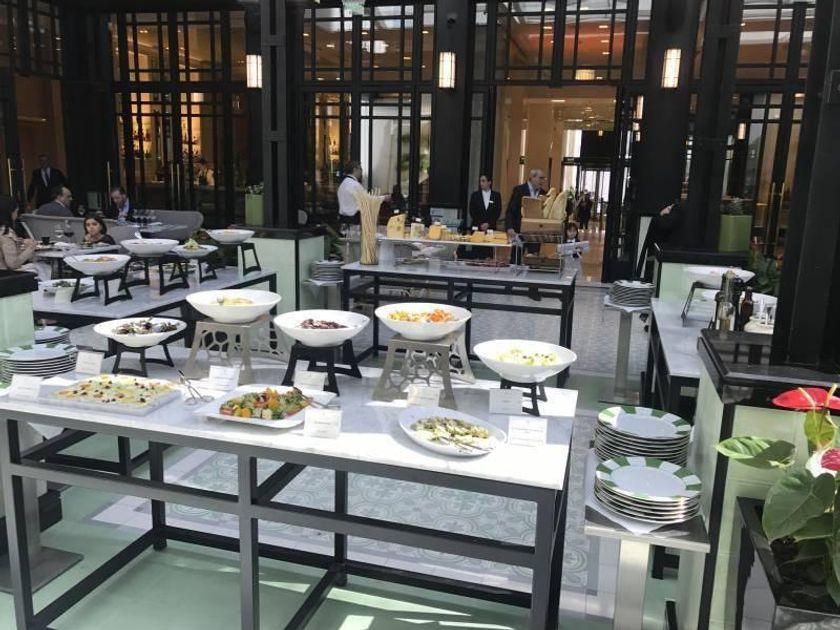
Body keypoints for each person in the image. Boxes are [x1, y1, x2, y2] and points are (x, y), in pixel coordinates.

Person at [0, 196, 50, 280]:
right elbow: (13, 264)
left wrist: (16, 242)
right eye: (16, 212)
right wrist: (31, 248)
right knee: (43, 267)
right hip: (5, 276)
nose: (16, 215)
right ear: (10, 213)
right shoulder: (6, 233)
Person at [505, 168, 547, 264]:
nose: (542, 181)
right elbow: (510, 210)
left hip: (535, 233)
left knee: (533, 262)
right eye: (540, 178)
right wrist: (509, 227)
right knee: (516, 260)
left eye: (544, 178)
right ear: (532, 177)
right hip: (519, 231)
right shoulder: (519, 190)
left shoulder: (544, 194)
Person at [337, 160, 389, 225]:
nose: (361, 172)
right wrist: (384, 198)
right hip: (353, 221)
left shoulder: (343, 184)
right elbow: (368, 200)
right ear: (355, 169)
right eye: (360, 169)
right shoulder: (354, 185)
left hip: (343, 220)